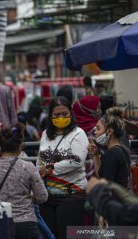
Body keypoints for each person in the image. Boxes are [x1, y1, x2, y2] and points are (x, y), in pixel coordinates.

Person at [0, 124, 48, 239]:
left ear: (1, 144)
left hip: (0, 223)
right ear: (20, 146)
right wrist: (29, 197)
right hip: (26, 225)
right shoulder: (28, 167)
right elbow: (42, 197)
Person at [37, 96, 88, 239]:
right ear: (50, 115)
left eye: (64, 114)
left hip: (71, 196)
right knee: (49, 235)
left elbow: (76, 161)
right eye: (56, 115)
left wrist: (48, 169)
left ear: (71, 113)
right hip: (47, 197)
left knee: (68, 236)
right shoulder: (46, 134)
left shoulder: (78, 134)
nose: (60, 117)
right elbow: (40, 159)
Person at [88, 107, 131, 188]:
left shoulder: (111, 153)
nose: (95, 132)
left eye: (98, 128)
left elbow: (106, 186)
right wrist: (95, 154)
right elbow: (102, 175)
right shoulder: (121, 148)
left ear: (109, 131)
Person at [73, 95, 102, 180]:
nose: (99, 111)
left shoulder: (73, 131)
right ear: (87, 110)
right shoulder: (98, 130)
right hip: (95, 179)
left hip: (77, 180)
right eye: (97, 108)